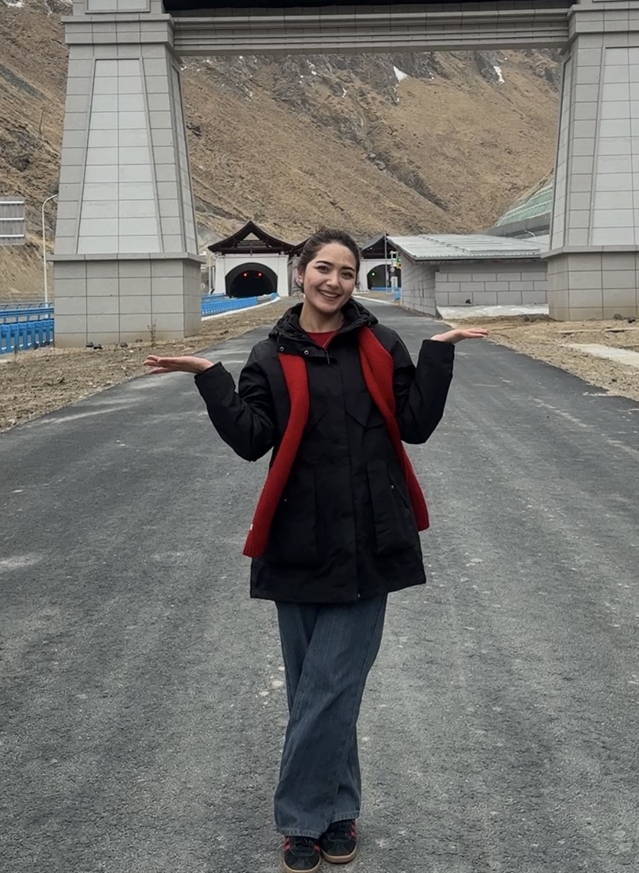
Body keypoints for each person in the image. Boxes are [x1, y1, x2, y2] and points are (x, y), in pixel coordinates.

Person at [145, 228, 487, 871]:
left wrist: (438, 356)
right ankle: (340, 811)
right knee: (317, 692)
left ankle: (301, 819)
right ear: (300, 273)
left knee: (330, 686)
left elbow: (414, 425)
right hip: (298, 544)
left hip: (372, 543)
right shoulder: (269, 357)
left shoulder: (381, 346)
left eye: (347, 272)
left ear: (355, 283)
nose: (334, 281)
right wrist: (209, 377)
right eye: (322, 268)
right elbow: (252, 439)